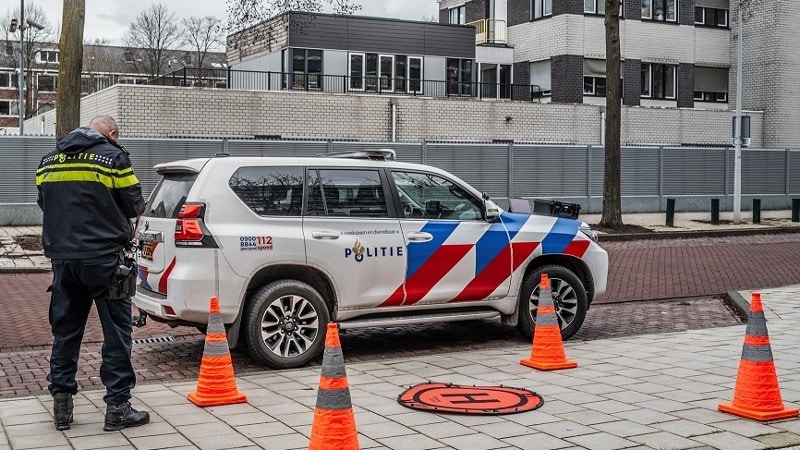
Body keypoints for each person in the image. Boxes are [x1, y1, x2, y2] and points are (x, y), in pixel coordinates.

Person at [35, 115, 149, 432]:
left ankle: (61, 408)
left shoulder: (48, 160)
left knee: (66, 333)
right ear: (110, 133)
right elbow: (135, 205)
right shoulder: (113, 157)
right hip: (105, 260)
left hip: (63, 260)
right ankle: (118, 408)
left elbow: (45, 203)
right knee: (117, 334)